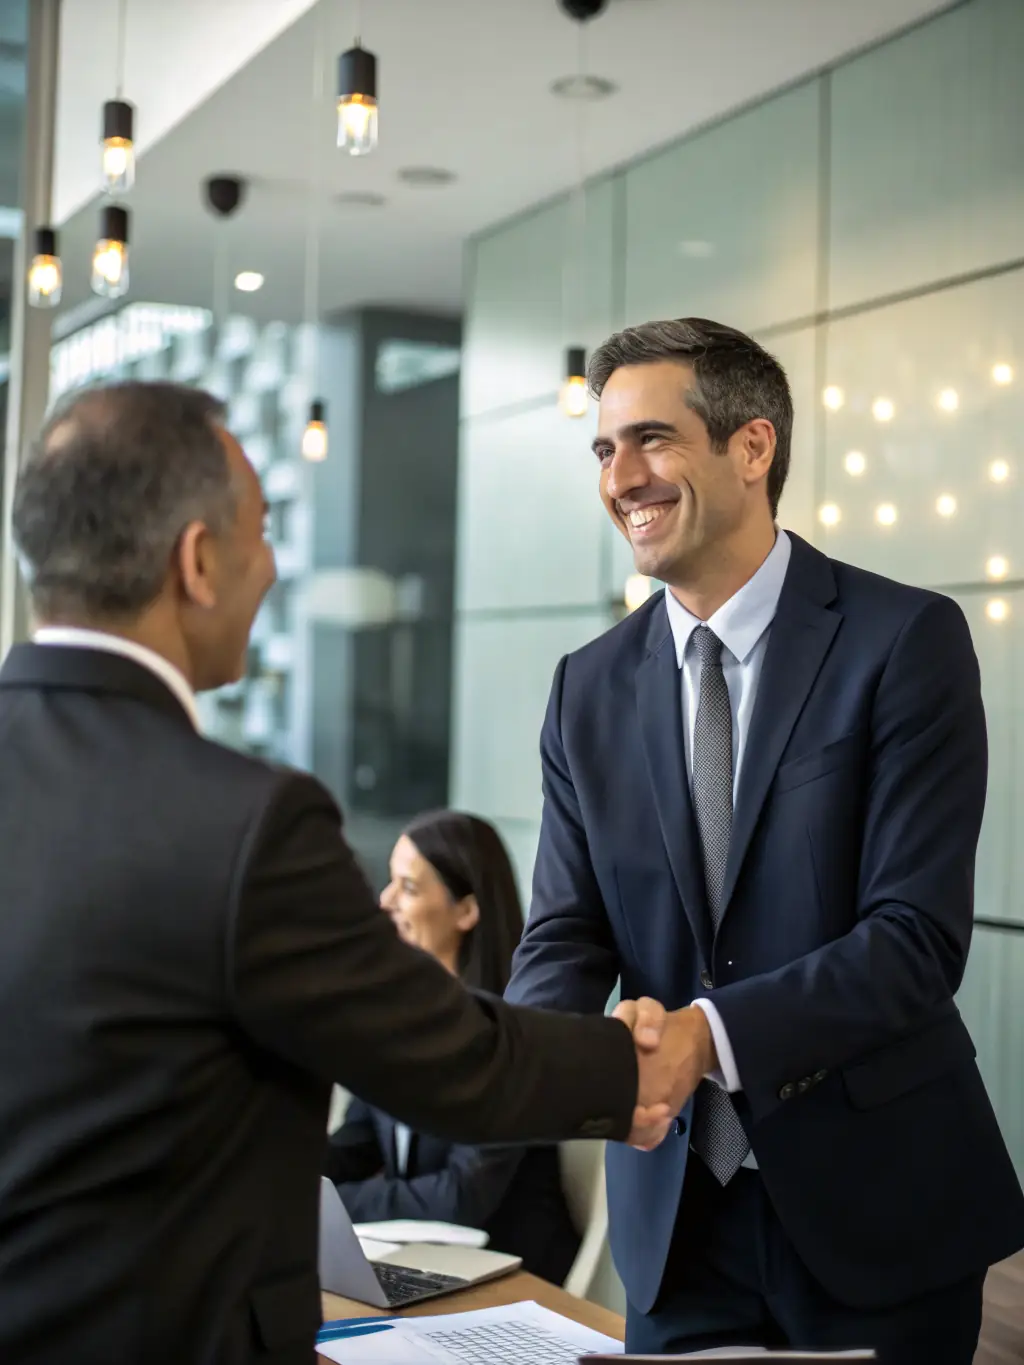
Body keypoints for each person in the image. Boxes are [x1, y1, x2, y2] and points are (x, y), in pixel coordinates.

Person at [0, 381, 686, 1365]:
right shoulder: (245, 821)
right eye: (263, 531)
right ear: (196, 561)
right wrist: (634, 1066)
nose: (274, 568)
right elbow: (451, 1058)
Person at [505, 318, 1024, 1363]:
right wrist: (509, 1062)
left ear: (752, 447)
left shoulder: (903, 641)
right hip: (673, 1223)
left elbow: (913, 939)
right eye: (604, 451)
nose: (621, 478)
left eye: (651, 440)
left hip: (879, 1208)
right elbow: (564, 934)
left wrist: (702, 1035)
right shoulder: (586, 688)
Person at [326, 811, 580, 1285]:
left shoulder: (512, 1034)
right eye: (390, 883)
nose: (385, 901)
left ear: (466, 910)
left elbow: (461, 1196)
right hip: (424, 1269)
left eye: (408, 887)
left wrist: (329, 1201)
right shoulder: (393, 1019)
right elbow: (355, 1144)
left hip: (514, 1287)